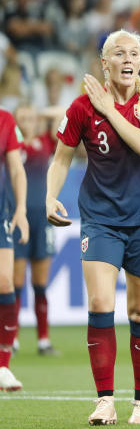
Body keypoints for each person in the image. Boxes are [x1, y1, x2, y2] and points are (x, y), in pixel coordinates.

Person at [46, 30, 140, 425]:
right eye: (120, 53)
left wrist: (110, 110)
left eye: (134, 52)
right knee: (100, 304)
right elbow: (61, 158)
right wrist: (49, 196)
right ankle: (104, 401)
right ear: (105, 63)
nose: (129, 58)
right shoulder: (83, 107)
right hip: (100, 217)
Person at [12, 103, 63, 356]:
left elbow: (64, 113)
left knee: (41, 284)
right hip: (17, 218)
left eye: (30, 118)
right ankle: (12, 337)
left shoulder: (46, 141)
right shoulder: (12, 146)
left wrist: (39, 113)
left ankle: (43, 340)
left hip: (42, 220)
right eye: (22, 118)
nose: (27, 122)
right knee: (15, 283)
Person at [0, 106, 28, 391]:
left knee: (5, 282)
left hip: (0, 215)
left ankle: (3, 365)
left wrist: (20, 209)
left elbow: (16, 169)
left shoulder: (5, 120)